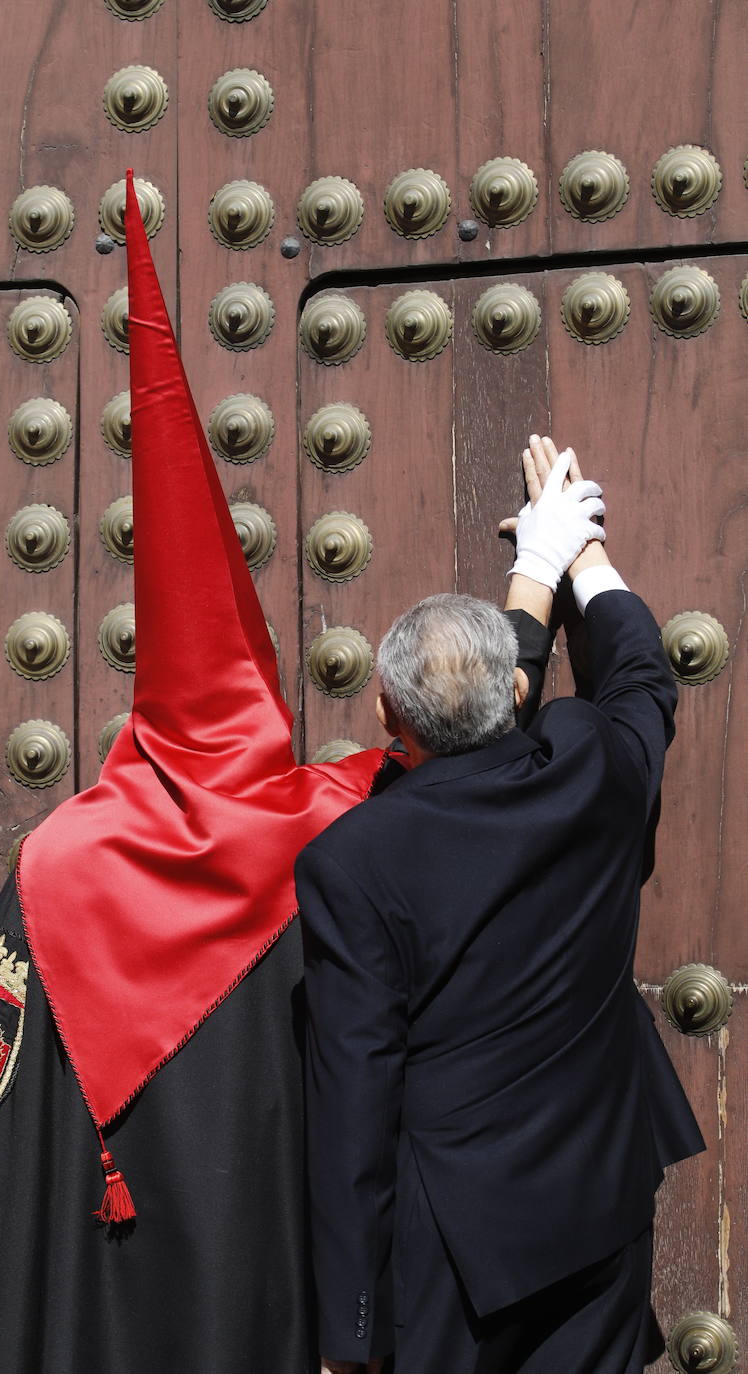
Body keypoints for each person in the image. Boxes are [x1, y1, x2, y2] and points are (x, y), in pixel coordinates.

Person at [0, 173, 555, 1374]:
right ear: (256, 684)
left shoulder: (60, 859)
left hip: (81, 1304)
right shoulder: (336, 822)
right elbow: (487, 755)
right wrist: (540, 586)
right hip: (248, 1298)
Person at [297, 445, 705, 1374]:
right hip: (601, 1198)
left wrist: (350, 1328)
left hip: (459, 1242)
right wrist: (575, 554)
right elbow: (642, 677)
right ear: (520, 691)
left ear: (385, 713)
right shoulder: (593, 771)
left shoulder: (354, 861)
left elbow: (354, 1100)